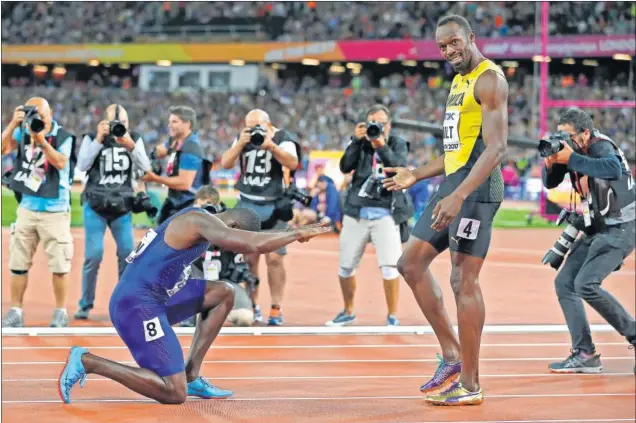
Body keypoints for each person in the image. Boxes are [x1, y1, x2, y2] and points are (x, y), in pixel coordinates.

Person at [58, 206, 331, 404]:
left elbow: (250, 239)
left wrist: (284, 232)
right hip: (136, 306)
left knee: (224, 292)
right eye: (232, 242)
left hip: (157, 297)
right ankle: (88, 361)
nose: (230, 250)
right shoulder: (197, 221)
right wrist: (295, 234)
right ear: (233, 228)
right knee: (174, 393)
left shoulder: (206, 223)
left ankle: (191, 374)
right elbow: (253, 244)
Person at [382, 15, 508, 406]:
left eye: (455, 42)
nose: (450, 51)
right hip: (454, 185)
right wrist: (417, 174)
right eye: (443, 47)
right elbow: (457, 152)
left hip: (477, 189)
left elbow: (496, 147)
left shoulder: (490, 79)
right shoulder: (458, 82)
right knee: (410, 264)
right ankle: (452, 356)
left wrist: (458, 196)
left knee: (461, 281)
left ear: (471, 37)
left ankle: (470, 384)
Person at [541, 108, 635, 373]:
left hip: (623, 227)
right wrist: (551, 163)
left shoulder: (602, 146)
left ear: (585, 133)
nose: (564, 140)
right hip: (597, 226)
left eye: (568, 135)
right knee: (565, 283)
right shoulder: (573, 152)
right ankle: (585, 353)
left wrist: (571, 158)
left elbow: (612, 169)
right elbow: (551, 183)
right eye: (561, 135)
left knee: (586, 284)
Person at [326, 104, 411, 327]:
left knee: (390, 266)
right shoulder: (359, 143)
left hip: (386, 211)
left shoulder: (397, 143)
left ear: (389, 125)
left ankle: (392, 315)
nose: (376, 126)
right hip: (357, 212)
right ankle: (348, 310)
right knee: (345, 265)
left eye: (381, 123)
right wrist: (355, 141)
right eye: (372, 122)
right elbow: (345, 167)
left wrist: (380, 144)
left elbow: (398, 168)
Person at [220, 109, 301, 326]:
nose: (253, 130)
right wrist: (240, 143)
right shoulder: (243, 138)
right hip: (247, 204)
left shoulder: (283, 139)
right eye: (249, 126)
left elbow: (293, 163)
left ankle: (276, 307)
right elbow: (225, 163)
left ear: (268, 124)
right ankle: (253, 305)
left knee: (275, 258)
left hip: (274, 205)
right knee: (249, 259)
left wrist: (271, 146)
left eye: (257, 126)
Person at [1, 97, 77, 328]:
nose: (38, 121)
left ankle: (60, 311)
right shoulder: (22, 132)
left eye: (42, 116)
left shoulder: (64, 137)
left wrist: (41, 140)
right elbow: (3, 149)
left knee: (59, 265)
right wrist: (13, 124)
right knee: (18, 263)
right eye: (34, 116)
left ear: (51, 114)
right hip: (27, 207)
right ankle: (15, 310)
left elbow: (61, 162)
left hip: (55, 209)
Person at [74, 104, 151, 320]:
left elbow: (146, 167)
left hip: (122, 206)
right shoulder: (92, 137)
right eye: (115, 122)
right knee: (93, 255)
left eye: (124, 123)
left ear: (129, 123)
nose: (120, 126)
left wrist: (131, 146)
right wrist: (99, 139)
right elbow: (81, 165)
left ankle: (124, 303)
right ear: (104, 122)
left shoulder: (134, 138)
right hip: (95, 204)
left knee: (128, 254)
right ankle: (85, 303)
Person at [143, 105, 210, 224]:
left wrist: (155, 178)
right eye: (170, 121)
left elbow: (184, 183)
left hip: (188, 203)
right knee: (159, 234)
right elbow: (157, 151)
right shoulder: (175, 141)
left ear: (187, 124)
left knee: (170, 238)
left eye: (174, 122)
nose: (169, 125)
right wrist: (151, 159)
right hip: (174, 200)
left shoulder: (191, 147)